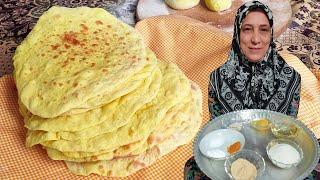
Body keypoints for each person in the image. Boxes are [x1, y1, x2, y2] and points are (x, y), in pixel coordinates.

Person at [183, 1, 313, 179]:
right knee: (192, 168)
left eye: (263, 30)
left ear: (271, 34)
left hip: (276, 158)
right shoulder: (218, 79)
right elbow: (219, 130)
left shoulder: (290, 79)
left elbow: (287, 133)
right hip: (234, 160)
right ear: (237, 32)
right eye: (247, 29)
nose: (256, 39)